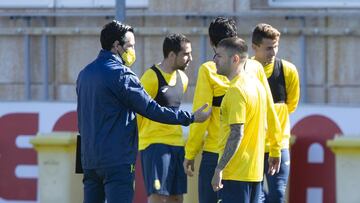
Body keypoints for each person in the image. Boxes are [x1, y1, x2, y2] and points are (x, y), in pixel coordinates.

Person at [76, 20, 211, 203]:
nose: (133, 51)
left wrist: (84, 159)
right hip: (117, 161)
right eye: (130, 46)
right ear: (117, 46)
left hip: (89, 160)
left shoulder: (84, 74)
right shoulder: (122, 74)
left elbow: (82, 119)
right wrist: (191, 117)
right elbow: (151, 109)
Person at [183, 17, 282, 203]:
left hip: (218, 154)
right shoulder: (256, 68)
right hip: (252, 158)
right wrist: (275, 147)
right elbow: (270, 108)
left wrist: (190, 153)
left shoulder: (210, 70)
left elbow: (202, 115)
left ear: (213, 43)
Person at [211, 37, 270, 203]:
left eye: (219, 56)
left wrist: (219, 168)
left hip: (235, 173)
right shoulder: (257, 85)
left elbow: (237, 133)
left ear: (235, 59)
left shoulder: (236, 90)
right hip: (254, 173)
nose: (214, 60)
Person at [137, 33, 192, 203]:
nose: (190, 58)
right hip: (155, 145)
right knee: (159, 197)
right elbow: (138, 112)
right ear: (171, 55)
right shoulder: (151, 77)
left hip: (177, 144)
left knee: (177, 198)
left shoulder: (183, 78)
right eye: (186, 54)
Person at [252, 23, 300, 203]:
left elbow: (291, 105)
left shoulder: (288, 70)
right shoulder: (245, 70)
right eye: (268, 48)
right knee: (255, 197)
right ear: (254, 47)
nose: (273, 52)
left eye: (275, 47)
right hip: (253, 147)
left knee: (278, 195)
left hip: (278, 146)